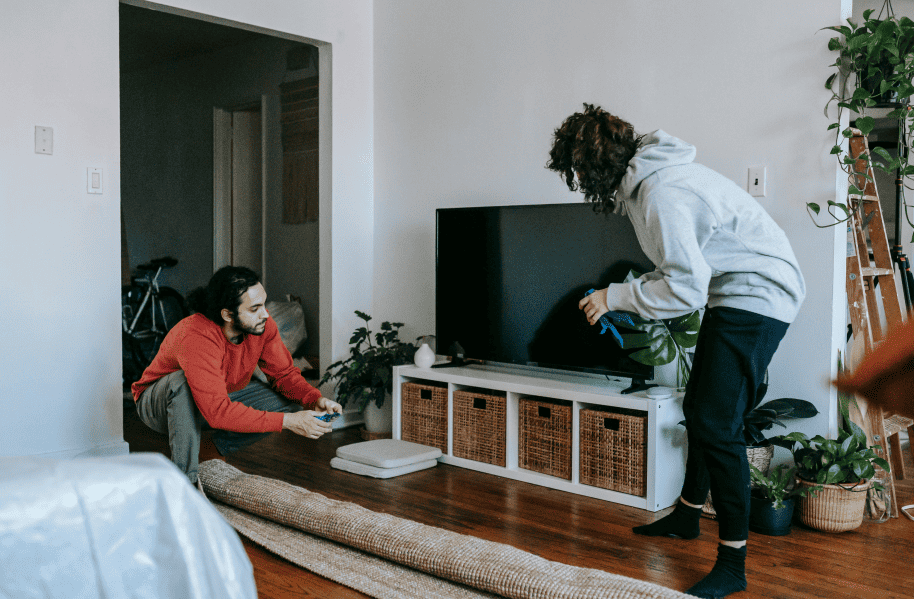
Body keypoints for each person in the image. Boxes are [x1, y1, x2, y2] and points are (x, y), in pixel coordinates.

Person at [547, 104, 806, 599]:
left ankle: (733, 564)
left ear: (596, 165)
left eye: (579, 172)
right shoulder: (652, 183)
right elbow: (684, 273)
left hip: (758, 294)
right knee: (699, 409)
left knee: (717, 424)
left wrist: (613, 297)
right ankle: (687, 517)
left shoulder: (662, 193)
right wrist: (621, 294)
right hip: (735, 292)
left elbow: (685, 289)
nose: (580, 183)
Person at [131, 265, 341, 489]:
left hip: (213, 400)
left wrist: (314, 399)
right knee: (181, 382)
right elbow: (217, 412)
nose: (266, 314)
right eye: (255, 308)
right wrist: (289, 423)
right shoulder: (196, 335)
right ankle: (185, 485)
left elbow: (284, 375)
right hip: (158, 405)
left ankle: (211, 448)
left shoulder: (262, 327)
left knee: (288, 397)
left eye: (264, 304)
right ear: (227, 314)